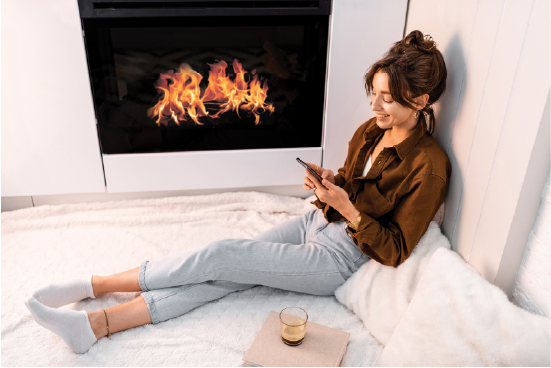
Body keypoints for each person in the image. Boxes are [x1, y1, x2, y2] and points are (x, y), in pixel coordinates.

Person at [25, 30, 451, 354]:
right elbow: (352, 180)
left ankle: (95, 284)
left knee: (221, 255)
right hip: (314, 220)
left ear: (420, 100)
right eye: (373, 95)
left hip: (337, 256)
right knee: (222, 276)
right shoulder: (371, 131)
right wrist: (331, 184)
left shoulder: (428, 167)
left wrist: (349, 210)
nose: (375, 108)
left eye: (388, 100)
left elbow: (396, 249)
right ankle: (96, 326)